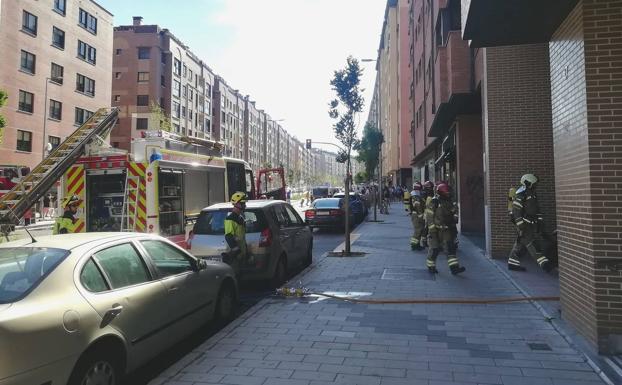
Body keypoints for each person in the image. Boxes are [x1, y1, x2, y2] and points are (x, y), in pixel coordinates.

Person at [508, 174, 552, 272]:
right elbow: (516, 211)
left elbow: (537, 209)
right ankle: (545, 264)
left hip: (531, 223)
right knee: (532, 243)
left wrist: (540, 221)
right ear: (528, 183)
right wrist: (520, 225)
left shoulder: (532, 193)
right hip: (524, 224)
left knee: (521, 243)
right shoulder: (521, 194)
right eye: (534, 184)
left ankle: (512, 263)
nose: (535, 185)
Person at [425, 182, 465, 275]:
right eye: (447, 192)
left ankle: (454, 268)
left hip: (447, 229)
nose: (449, 194)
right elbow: (429, 217)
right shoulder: (434, 202)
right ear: (442, 192)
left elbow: (455, 210)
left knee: (450, 248)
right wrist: (432, 229)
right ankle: (431, 266)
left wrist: (455, 216)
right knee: (434, 249)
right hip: (436, 230)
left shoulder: (450, 201)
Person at [222, 191, 249, 277]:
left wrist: (246, 251)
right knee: (235, 277)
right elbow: (229, 236)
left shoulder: (240, 218)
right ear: (237, 204)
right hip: (235, 257)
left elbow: (241, 237)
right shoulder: (230, 219)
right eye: (243, 203)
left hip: (241, 255)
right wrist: (237, 251)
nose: (245, 206)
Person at [410, 182, 425, 250]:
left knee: (419, 229)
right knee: (418, 230)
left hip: (416, 214)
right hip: (417, 215)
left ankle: (417, 244)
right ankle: (414, 245)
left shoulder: (415, 194)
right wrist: (421, 216)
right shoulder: (415, 196)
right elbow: (417, 206)